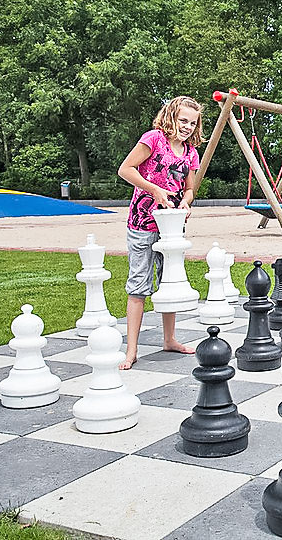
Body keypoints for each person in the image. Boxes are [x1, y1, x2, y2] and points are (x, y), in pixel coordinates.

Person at [117, 96, 204, 370]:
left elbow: (189, 189)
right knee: (139, 285)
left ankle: (170, 339)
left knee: (169, 283)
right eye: (183, 120)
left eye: (193, 122)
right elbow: (125, 169)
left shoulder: (190, 152)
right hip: (142, 223)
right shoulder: (153, 139)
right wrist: (153, 189)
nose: (188, 126)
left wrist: (186, 202)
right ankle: (131, 351)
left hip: (171, 228)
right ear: (170, 117)